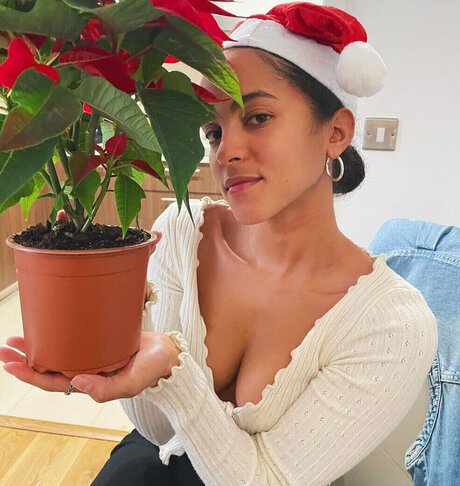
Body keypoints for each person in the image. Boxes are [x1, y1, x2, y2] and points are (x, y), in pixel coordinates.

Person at [0, 3, 438, 485]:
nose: (225, 152)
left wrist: (173, 373)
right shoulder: (183, 231)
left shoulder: (391, 324)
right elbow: (156, 430)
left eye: (258, 117)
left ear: (336, 133)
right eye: (213, 131)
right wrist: (114, 334)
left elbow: (269, 480)